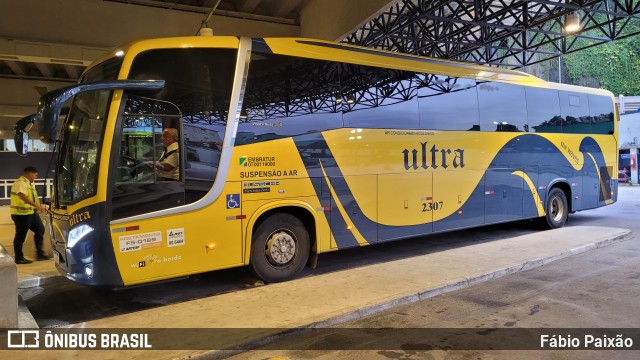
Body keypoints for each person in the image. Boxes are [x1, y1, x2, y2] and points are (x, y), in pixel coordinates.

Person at [10, 166, 50, 264]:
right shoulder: (20, 183)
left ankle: (40, 254)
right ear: (29, 173)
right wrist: (37, 206)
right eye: (35, 175)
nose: (36, 177)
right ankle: (19, 258)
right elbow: (23, 197)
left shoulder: (29, 184)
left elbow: (33, 198)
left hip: (31, 213)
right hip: (21, 214)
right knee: (20, 236)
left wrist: (41, 207)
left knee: (40, 229)